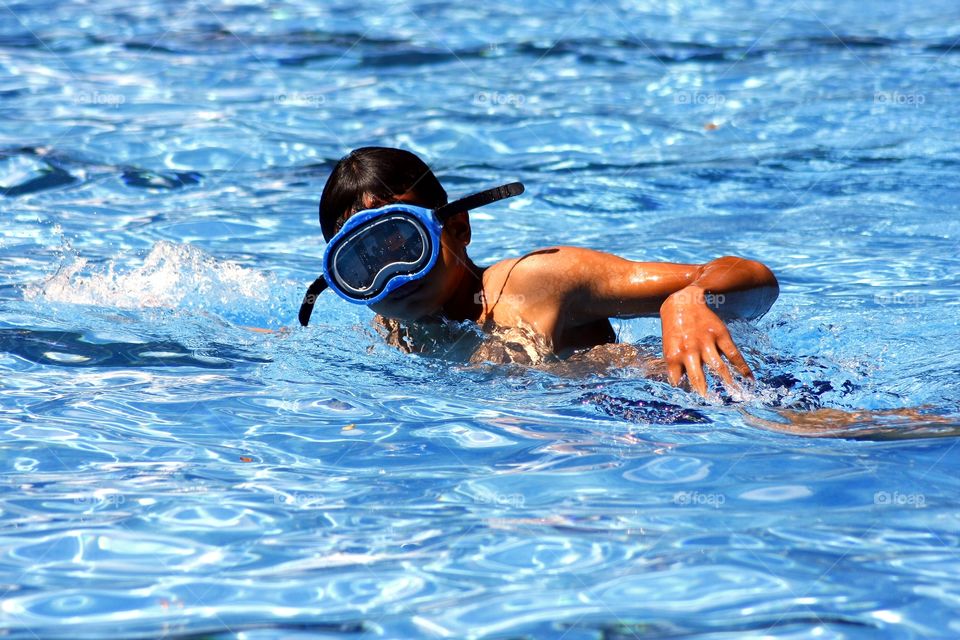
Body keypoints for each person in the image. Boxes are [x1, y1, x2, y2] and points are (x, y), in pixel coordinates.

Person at [300, 146, 779, 399]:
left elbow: (755, 278)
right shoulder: (393, 328)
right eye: (362, 266)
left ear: (458, 227)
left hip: (693, 403)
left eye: (405, 244)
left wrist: (689, 300)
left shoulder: (536, 280)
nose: (395, 278)